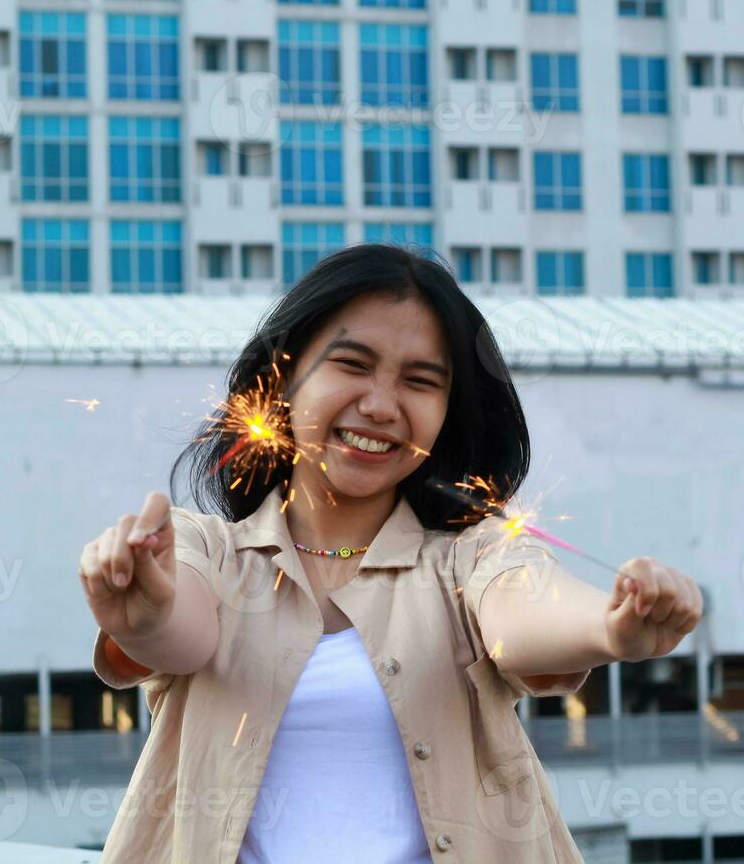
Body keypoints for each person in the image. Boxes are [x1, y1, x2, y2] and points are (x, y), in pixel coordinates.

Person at [79, 243, 703, 862]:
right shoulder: (207, 550)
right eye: (352, 365)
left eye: (419, 381)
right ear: (285, 377)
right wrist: (147, 612)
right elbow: (179, 634)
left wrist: (613, 625)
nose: (380, 406)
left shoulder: (469, 556)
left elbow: (522, 613)